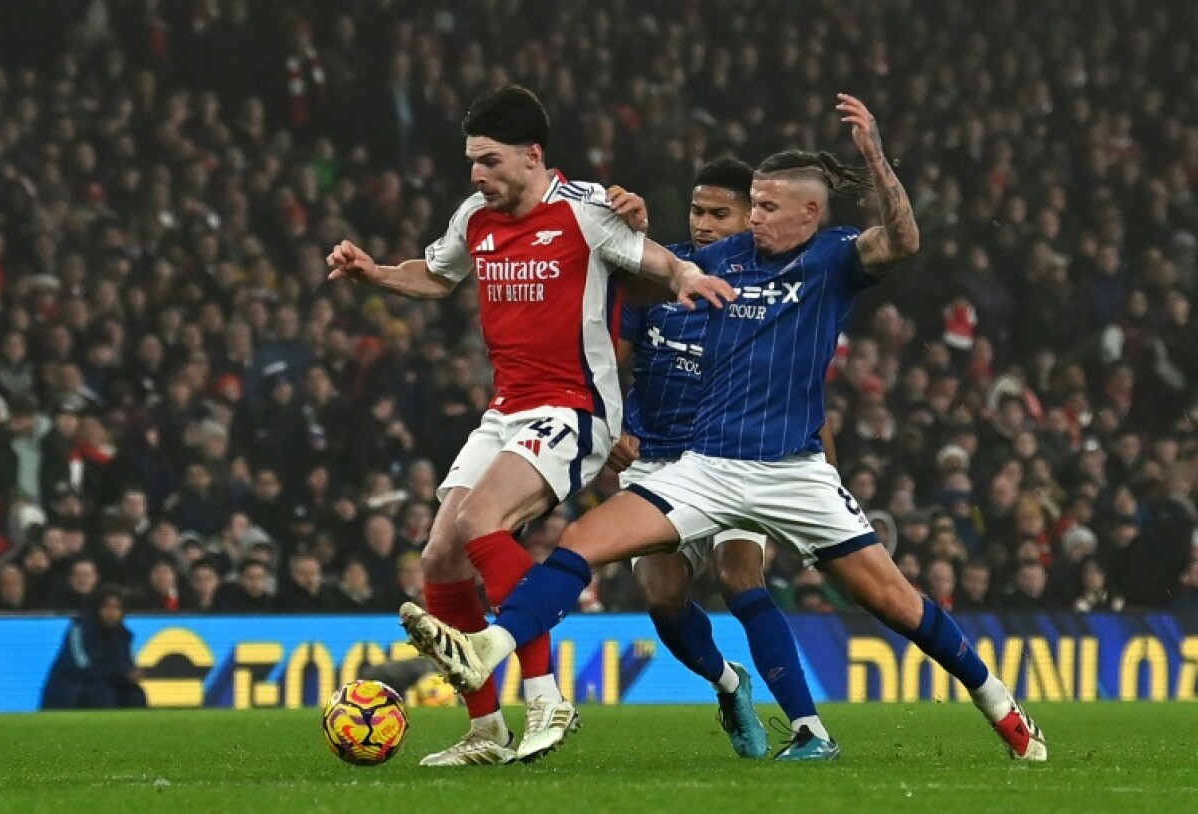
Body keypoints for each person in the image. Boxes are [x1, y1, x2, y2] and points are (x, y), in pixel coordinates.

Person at [401, 94, 1047, 763]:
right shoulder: (721, 260)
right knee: (580, 543)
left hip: (793, 472)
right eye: (751, 205)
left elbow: (903, 240)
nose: (751, 218)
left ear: (810, 213)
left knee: (896, 605)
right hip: (704, 468)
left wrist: (875, 159)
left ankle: (999, 703)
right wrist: (631, 227)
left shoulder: (835, 259)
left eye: (765, 207)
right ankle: (492, 648)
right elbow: (632, 277)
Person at [326, 84, 732, 766]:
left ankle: (547, 697)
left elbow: (656, 261)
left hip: (575, 406)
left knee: (481, 521)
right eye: (471, 161)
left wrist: (686, 275)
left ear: (532, 155)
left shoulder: (587, 209)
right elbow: (436, 276)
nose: (476, 174)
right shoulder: (475, 217)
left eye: (489, 160)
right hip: (507, 409)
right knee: (440, 557)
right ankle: (487, 732)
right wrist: (375, 274)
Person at [604, 158, 838, 760]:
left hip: (737, 457)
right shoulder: (661, 277)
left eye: (720, 213)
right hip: (658, 459)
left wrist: (825, 480)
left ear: (751, 217)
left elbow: (804, 395)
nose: (703, 224)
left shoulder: (777, 287)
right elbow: (606, 364)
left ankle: (808, 726)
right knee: (661, 594)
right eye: (696, 211)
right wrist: (609, 432)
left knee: (739, 574)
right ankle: (729, 684)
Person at [41, 585, 147, 709]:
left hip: (106, 683)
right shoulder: (80, 630)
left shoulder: (125, 636)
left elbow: (126, 665)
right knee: (101, 694)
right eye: (107, 606)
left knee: (136, 695)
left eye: (117, 608)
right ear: (97, 608)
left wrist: (130, 674)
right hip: (71, 686)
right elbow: (83, 667)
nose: (111, 612)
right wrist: (119, 673)